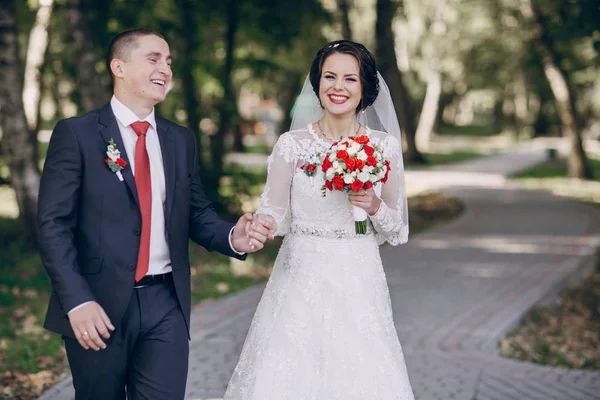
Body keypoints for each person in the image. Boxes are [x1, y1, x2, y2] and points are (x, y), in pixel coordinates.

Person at [37, 28, 273, 400]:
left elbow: (196, 213)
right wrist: (77, 301)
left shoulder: (180, 140)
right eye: (153, 59)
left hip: (167, 304)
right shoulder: (77, 134)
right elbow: (53, 226)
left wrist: (232, 236)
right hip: (98, 304)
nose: (165, 68)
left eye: (168, 61)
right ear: (118, 66)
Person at [224, 40, 415, 399]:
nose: (338, 87)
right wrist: (260, 224)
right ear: (317, 83)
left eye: (349, 79)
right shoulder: (290, 145)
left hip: (358, 273)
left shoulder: (384, 146)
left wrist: (373, 206)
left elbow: (396, 230)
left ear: (365, 88)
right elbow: (275, 212)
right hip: (300, 272)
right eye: (329, 77)